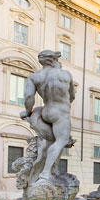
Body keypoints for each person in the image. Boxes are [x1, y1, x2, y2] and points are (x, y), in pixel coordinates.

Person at [19, 50, 75, 184]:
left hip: (45, 111)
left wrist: (28, 111)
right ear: (55, 60)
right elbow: (72, 96)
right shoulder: (66, 74)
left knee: (49, 143)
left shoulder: (35, 76)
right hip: (60, 112)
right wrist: (63, 105)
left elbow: (28, 97)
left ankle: (37, 173)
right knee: (61, 141)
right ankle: (45, 174)